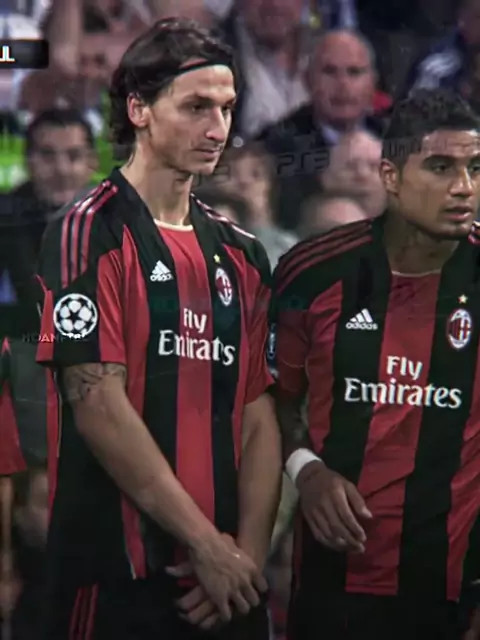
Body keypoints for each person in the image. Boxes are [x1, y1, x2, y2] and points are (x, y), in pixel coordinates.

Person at [34, 17, 282, 640]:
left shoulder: (244, 254)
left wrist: (244, 561)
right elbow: (97, 400)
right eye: (197, 107)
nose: (218, 128)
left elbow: (258, 414)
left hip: (224, 583)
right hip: (117, 577)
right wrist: (204, 543)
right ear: (138, 109)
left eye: (227, 108)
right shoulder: (88, 229)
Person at [269, 88, 480, 640]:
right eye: (441, 167)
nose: (464, 187)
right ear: (391, 176)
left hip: (455, 596)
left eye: (476, 168)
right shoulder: (313, 274)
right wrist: (306, 471)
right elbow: (270, 401)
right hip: (330, 589)